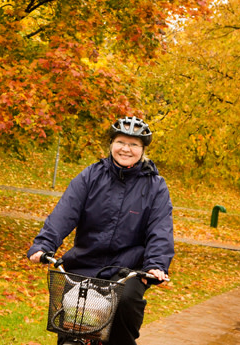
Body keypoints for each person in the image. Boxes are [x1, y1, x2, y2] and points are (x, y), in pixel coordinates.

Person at [27, 116, 174, 345]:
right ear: (111, 144)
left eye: (134, 144)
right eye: (120, 142)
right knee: (70, 320)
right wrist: (44, 244)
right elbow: (65, 212)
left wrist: (155, 264)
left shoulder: (155, 186)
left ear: (143, 149)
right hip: (85, 262)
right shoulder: (90, 176)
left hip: (128, 269)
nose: (126, 149)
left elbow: (160, 229)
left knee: (125, 304)